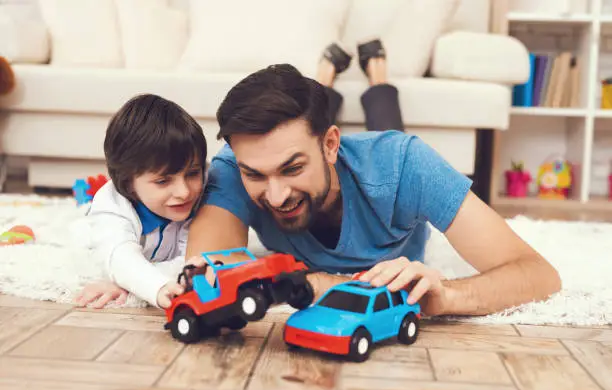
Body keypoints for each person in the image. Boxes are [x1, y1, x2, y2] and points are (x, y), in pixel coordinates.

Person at [186, 39, 562, 317]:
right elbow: (208, 274)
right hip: (341, 157)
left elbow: (538, 274)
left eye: (292, 168)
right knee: (310, 128)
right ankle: (324, 77)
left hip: (375, 164)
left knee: (387, 130)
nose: (277, 194)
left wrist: (446, 295)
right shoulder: (237, 165)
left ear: (331, 144)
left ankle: (376, 71)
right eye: (255, 174)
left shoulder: (403, 164)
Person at [74, 94, 208, 309]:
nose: (184, 192)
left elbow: (193, 260)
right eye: (163, 181)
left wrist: (130, 284)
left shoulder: (203, 192)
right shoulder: (113, 207)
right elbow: (120, 258)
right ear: (128, 184)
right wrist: (154, 285)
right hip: (96, 241)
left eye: (193, 173)